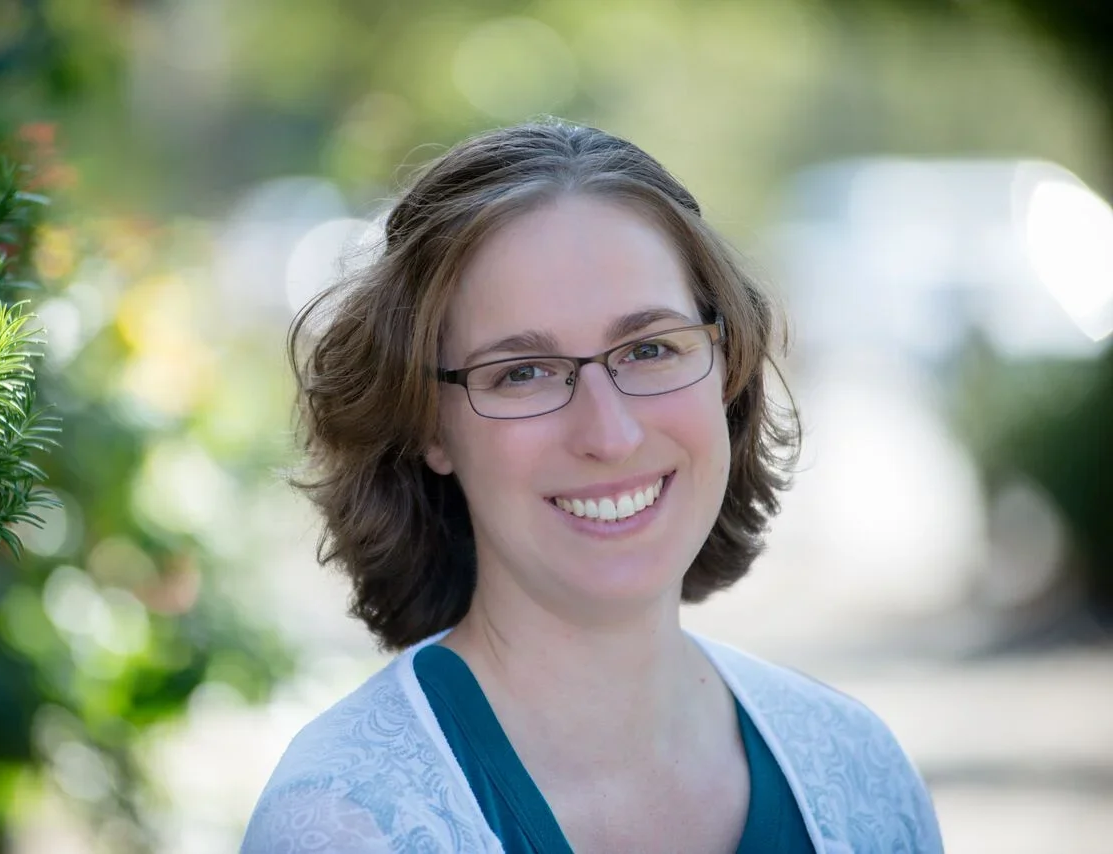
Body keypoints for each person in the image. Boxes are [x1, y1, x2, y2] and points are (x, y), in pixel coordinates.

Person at [242, 120, 943, 853]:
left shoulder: (860, 781)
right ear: (430, 427)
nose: (610, 435)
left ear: (727, 368)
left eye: (649, 349)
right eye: (521, 372)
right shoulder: (348, 824)